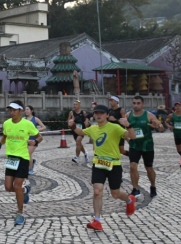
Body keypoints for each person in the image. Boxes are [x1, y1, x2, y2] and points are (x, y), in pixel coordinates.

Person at [69, 104, 137, 232]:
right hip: (98, 163)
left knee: (115, 193)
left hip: (114, 164)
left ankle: (129, 200)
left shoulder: (115, 127)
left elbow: (132, 136)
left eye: (101, 113)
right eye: (96, 113)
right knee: (97, 191)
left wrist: (128, 125)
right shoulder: (93, 128)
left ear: (107, 115)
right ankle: (97, 221)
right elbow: (81, 132)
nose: (98, 115)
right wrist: (72, 125)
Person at [0, 101, 38, 225]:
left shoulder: (28, 124)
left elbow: (39, 136)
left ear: (21, 111)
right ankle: (24, 191)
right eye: (10, 110)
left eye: (14, 110)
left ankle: (20, 213)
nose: (12, 112)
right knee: (8, 187)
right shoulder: (7, 123)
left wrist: (35, 142)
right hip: (11, 159)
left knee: (17, 186)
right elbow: (5, 137)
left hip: (23, 158)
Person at [127, 95, 165, 199]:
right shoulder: (128, 115)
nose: (136, 105)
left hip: (147, 145)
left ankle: (153, 186)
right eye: (134, 103)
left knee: (149, 168)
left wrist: (157, 126)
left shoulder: (149, 115)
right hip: (134, 145)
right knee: (132, 166)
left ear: (143, 104)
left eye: (138, 103)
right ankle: (135, 189)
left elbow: (161, 128)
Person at [24, 105, 46, 174]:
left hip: (34, 140)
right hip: (26, 140)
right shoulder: (23, 119)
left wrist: (36, 131)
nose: (26, 111)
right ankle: (31, 163)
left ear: (31, 111)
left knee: (28, 153)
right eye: (25, 109)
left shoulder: (35, 119)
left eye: (27, 109)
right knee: (25, 154)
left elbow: (44, 127)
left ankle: (30, 169)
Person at [69, 100, 90, 164]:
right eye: (74, 104)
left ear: (79, 105)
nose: (75, 106)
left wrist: (87, 124)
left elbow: (87, 120)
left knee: (78, 141)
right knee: (79, 143)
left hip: (81, 130)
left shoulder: (83, 112)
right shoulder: (71, 112)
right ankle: (85, 153)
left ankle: (77, 157)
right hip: (75, 130)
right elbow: (68, 121)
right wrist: (71, 122)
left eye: (76, 104)